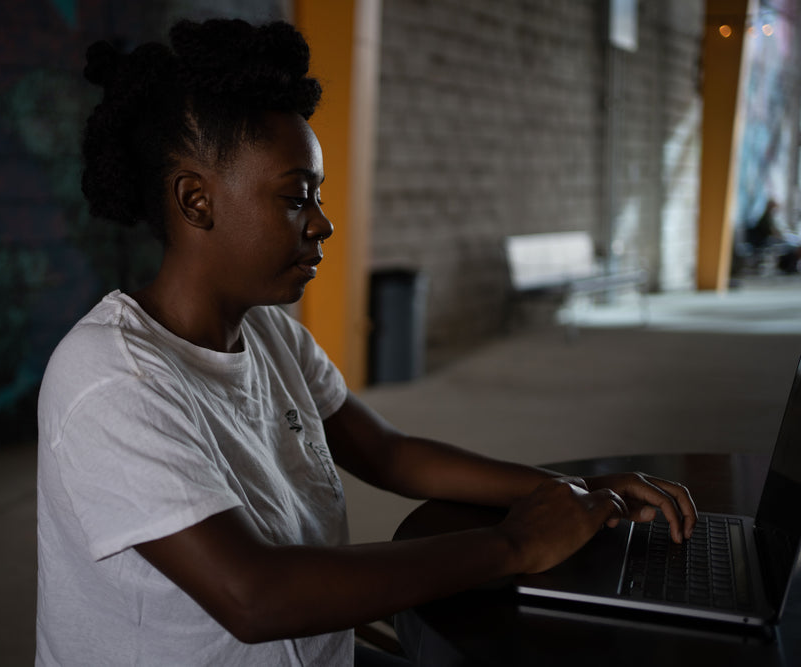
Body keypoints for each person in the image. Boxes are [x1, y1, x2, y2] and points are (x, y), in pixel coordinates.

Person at [35, 18, 697, 666]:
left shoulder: (269, 333)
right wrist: (518, 543)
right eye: (297, 197)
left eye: (317, 194)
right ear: (196, 200)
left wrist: (571, 492)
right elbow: (254, 596)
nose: (322, 223)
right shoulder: (110, 379)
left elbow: (391, 453)